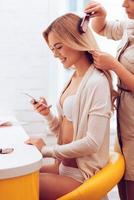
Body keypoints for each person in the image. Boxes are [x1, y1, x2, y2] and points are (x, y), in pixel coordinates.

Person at [26, 13, 114, 200]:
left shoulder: (96, 82)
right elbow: (67, 132)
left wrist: (45, 151)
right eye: (52, 49)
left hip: (81, 178)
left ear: (75, 41)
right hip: (63, 168)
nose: (55, 54)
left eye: (59, 47)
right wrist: (48, 115)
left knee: (22, 184)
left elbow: (92, 142)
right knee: (15, 176)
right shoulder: (73, 78)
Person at [84, 1, 134, 200]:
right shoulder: (129, 24)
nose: (123, 4)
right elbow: (102, 28)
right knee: (124, 176)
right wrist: (101, 15)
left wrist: (114, 66)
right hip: (126, 122)